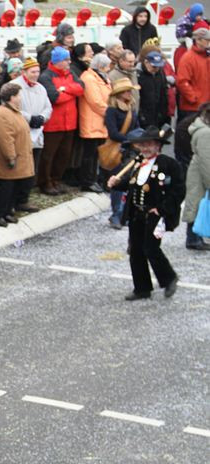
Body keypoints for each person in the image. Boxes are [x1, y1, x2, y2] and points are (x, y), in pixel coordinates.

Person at [107, 127, 184, 300]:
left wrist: (162, 209)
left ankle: (169, 278)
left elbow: (178, 191)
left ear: (158, 146)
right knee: (136, 250)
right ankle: (142, 288)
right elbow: (130, 184)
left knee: (151, 248)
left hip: (156, 214)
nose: (145, 148)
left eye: (149, 145)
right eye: (142, 145)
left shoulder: (168, 164)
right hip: (136, 212)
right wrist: (116, 183)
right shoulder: (137, 163)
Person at [38, 46, 84, 195]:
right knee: (48, 155)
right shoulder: (46, 76)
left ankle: (57, 180)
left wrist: (65, 89)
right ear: (58, 61)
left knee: (64, 155)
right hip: (53, 124)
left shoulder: (70, 73)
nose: (69, 62)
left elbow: (81, 88)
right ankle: (46, 182)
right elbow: (54, 98)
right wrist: (70, 92)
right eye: (66, 60)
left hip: (69, 123)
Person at [0, 83, 36, 226]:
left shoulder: (13, 111)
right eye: (18, 95)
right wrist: (11, 157)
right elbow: (5, 139)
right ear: (11, 97)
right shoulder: (3, 114)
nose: (20, 98)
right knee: (6, 189)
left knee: (14, 188)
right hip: (9, 160)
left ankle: (8, 212)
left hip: (19, 158)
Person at [104, 79, 140, 229]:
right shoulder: (111, 110)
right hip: (117, 151)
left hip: (130, 150)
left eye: (130, 90)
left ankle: (124, 213)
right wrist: (130, 140)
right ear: (118, 94)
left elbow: (137, 127)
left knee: (130, 181)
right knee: (118, 182)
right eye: (126, 91)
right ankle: (116, 214)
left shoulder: (131, 108)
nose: (129, 93)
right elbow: (113, 133)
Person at [79, 53, 114, 193]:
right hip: (92, 122)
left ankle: (94, 179)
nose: (109, 68)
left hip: (100, 122)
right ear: (101, 66)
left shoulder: (101, 77)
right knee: (90, 154)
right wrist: (110, 113)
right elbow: (95, 101)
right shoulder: (89, 78)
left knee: (97, 154)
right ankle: (88, 181)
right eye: (107, 66)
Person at [18, 58, 52, 178]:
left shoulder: (40, 88)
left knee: (34, 161)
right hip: (21, 130)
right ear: (24, 72)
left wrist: (42, 118)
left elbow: (48, 107)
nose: (36, 75)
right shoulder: (15, 86)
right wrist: (30, 118)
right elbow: (12, 108)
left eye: (38, 71)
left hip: (37, 131)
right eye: (33, 72)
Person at [183, 104, 210, 251]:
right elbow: (207, 161)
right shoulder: (205, 133)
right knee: (197, 205)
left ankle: (194, 237)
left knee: (196, 203)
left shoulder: (201, 130)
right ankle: (193, 238)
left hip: (197, 171)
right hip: (200, 173)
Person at [177, 21, 210, 120]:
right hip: (192, 108)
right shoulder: (188, 58)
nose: (209, 42)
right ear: (198, 40)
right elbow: (182, 81)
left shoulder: (206, 57)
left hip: (204, 106)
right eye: (207, 40)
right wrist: (194, 98)